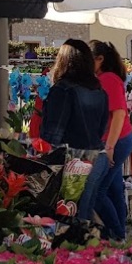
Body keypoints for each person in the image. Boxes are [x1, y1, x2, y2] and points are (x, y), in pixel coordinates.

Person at [39, 39, 110, 227]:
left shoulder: (63, 90)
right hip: (97, 158)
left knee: (65, 225)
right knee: (83, 221)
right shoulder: (99, 91)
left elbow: (52, 136)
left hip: (73, 163)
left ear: (63, 60)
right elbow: (102, 128)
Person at [90, 40, 132, 241]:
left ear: (100, 59)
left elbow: (118, 114)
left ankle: (117, 235)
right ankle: (119, 233)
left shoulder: (108, 79)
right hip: (117, 140)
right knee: (114, 188)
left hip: (116, 141)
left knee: (96, 192)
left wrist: (109, 147)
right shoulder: (104, 78)